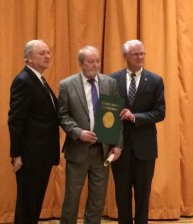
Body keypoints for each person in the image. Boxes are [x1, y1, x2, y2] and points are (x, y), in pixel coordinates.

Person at [58, 46, 123, 224]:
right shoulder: (67, 85)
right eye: (91, 62)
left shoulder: (110, 83)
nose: (96, 65)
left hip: (102, 151)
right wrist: (78, 132)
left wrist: (117, 145)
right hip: (78, 150)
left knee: (97, 199)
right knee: (72, 197)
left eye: (98, 61)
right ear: (80, 64)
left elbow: (116, 116)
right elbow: (62, 115)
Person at [110, 40, 166, 224]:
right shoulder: (112, 80)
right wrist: (110, 144)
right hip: (120, 148)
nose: (141, 57)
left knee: (143, 196)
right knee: (122, 195)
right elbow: (107, 115)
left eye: (143, 53)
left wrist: (135, 117)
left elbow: (160, 113)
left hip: (145, 148)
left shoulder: (156, 80)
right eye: (136, 54)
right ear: (125, 57)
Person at [8, 39, 60, 224]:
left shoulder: (39, 79)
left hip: (41, 155)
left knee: (34, 204)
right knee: (27, 205)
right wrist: (16, 154)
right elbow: (15, 121)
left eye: (48, 52)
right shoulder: (24, 81)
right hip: (30, 156)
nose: (47, 56)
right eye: (42, 53)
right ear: (28, 58)